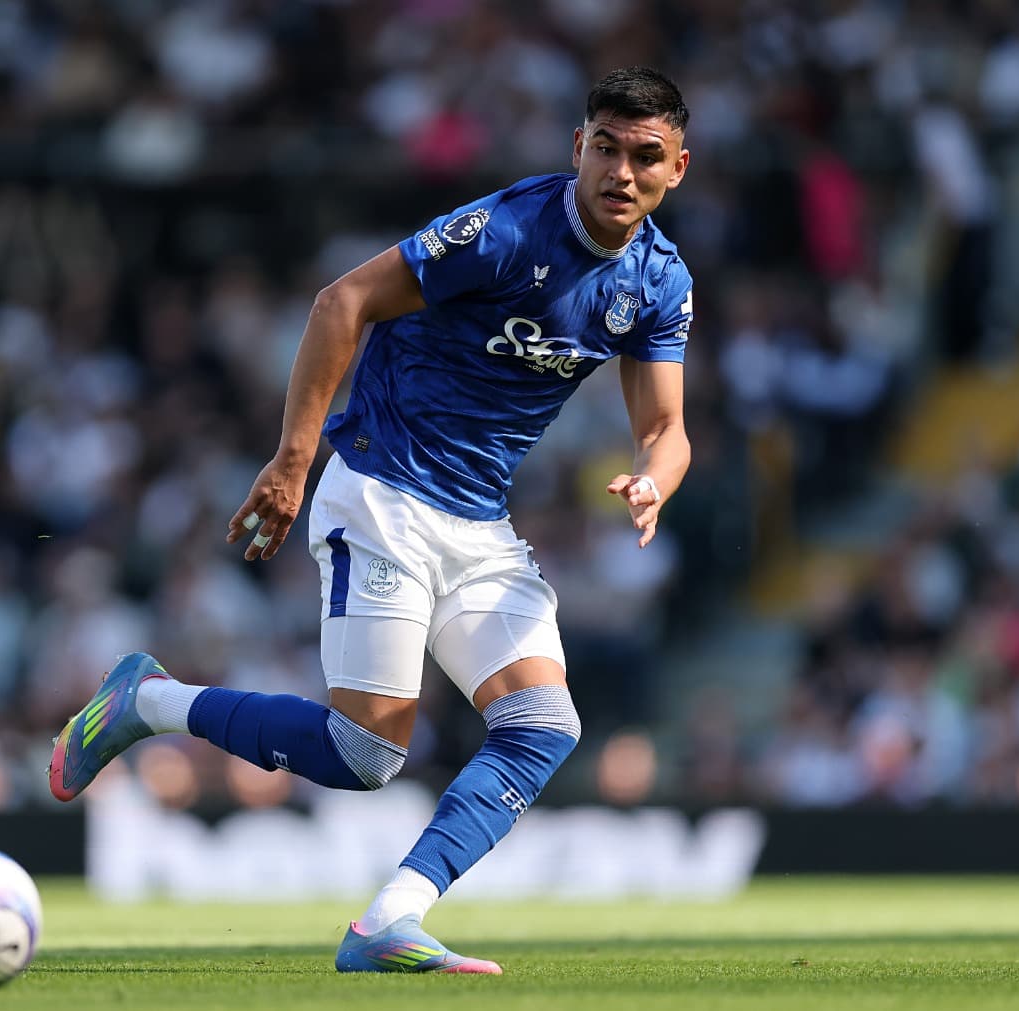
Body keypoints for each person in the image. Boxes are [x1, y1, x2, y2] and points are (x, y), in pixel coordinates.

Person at [48, 66, 695, 974]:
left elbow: (667, 429)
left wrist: (653, 480)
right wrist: (292, 457)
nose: (621, 171)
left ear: (677, 169)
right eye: (605, 148)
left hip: (478, 521)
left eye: (645, 156)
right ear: (576, 148)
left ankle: (389, 918)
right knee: (364, 754)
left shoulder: (660, 280)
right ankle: (146, 700)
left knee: (545, 725)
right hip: (382, 487)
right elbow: (342, 302)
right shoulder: (507, 231)